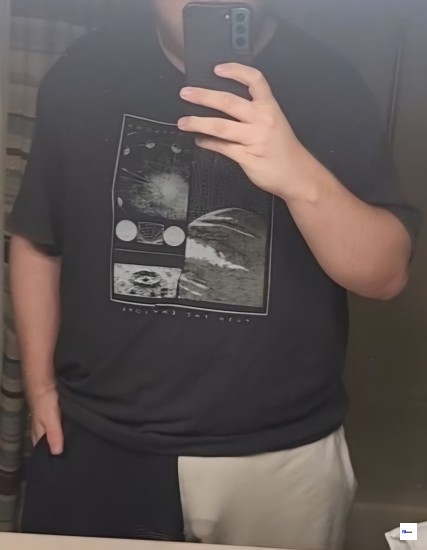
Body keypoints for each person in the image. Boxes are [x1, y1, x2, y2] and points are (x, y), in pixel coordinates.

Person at [9, 1, 421, 549]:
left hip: (278, 456)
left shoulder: (332, 82)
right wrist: (39, 388)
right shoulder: (82, 70)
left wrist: (297, 172)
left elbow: (385, 274)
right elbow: (38, 238)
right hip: (96, 439)